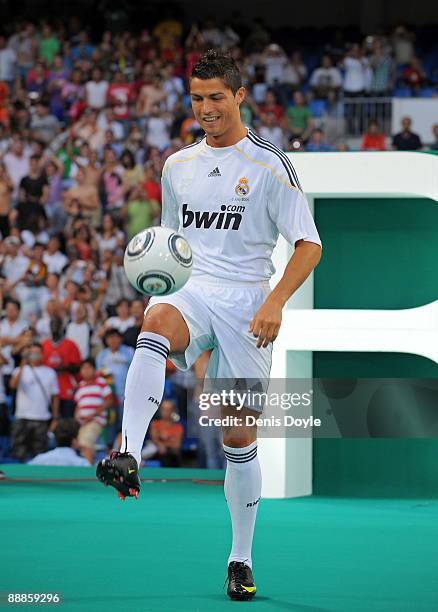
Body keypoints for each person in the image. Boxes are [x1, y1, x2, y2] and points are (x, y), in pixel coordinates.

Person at [97, 50, 322, 601]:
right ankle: (128, 451)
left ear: (239, 96)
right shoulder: (177, 166)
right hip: (192, 289)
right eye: (198, 98)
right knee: (153, 325)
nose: (206, 108)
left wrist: (275, 301)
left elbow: (309, 244)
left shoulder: (271, 166)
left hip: (248, 300)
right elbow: (175, 245)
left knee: (238, 437)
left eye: (216, 97)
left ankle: (240, 560)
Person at [10, 342, 59, 462]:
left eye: (38, 352)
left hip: (41, 418)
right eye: (32, 352)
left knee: (40, 453)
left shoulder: (50, 372)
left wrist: (55, 417)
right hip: (22, 417)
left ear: (43, 354)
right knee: (19, 452)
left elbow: (55, 396)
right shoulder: (19, 370)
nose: (35, 355)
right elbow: (12, 385)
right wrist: (22, 363)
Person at [74, 359, 113, 464]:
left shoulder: (101, 382)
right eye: (83, 368)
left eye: (88, 368)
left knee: (85, 443)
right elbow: (78, 405)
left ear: (94, 369)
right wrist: (76, 418)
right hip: (82, 423)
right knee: (77, 444)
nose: (86, 371)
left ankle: (88, 471)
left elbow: (109, 401)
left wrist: (93, 415)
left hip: (96, 421)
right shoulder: (81, 385)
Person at [149, 399, 184, 467]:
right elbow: (154, 439)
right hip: (156, 450)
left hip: (170, 453)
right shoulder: (155, 424)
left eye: (168, 409)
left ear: (173, 411)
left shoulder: (178, 427)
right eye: (164, 409)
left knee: (174, 453)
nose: (166, 412)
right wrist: (160, 445)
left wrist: (164, 445)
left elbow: (177, 445)